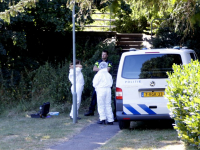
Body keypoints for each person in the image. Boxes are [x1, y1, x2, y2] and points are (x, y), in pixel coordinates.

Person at [84, 50, 113, 116]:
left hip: (105, 82)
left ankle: (106, 114)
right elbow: (94, 69)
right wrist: (103, 69)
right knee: (94, 96)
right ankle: (91, 111)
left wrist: (99, 68)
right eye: (102, 54)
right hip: (99, 82)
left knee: (106, 99)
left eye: (104, 54)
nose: (103, 55)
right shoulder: (98, 62)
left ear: (107, 55)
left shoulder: (109, 62)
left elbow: (108, 69)